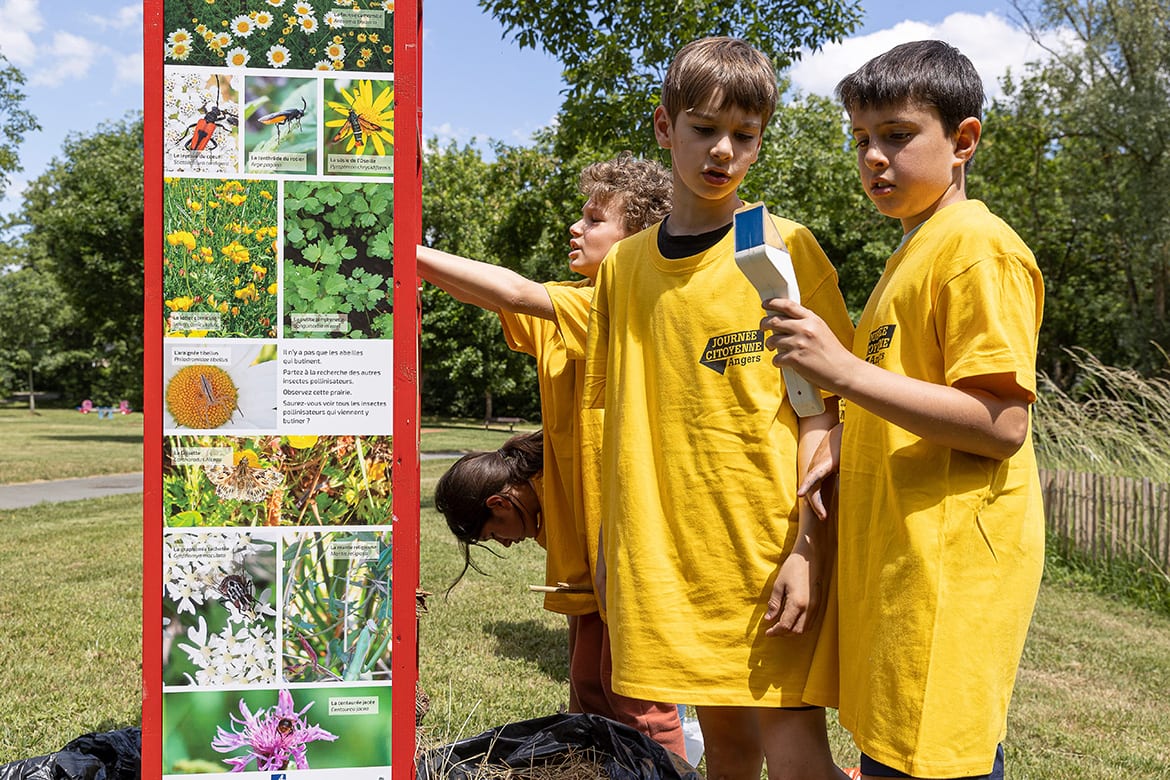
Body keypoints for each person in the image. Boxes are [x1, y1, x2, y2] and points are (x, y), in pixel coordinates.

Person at [760, 40, 1045, 779]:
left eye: (895, 135)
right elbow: (907, 394)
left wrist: (846, 374)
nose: (873, 158)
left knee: (933, 758)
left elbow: (1002, 424)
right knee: (893, 754)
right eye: (860, 140)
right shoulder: (910, 255)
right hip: (901, 567)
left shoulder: (979, 248)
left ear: (963, 141)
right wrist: (843, 443)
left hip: (948, 576)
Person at [582, 37, 856, 780]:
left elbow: (828, 412)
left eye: (746, 135)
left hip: (769, 556)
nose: (723, 152)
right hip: (672, 563)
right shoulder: (626, 269)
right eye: (704, 129)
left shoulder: (784, 247)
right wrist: (608, 548)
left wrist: (808, 550)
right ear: (665, 126)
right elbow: (604, 417)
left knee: (797, 759)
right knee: (726, 753)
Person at [418, 154, 685, 755]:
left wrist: (404, 251)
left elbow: (513, 287)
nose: (575, 227)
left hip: (627, 544)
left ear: (635, 240)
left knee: (640, 705)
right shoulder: (565, 309)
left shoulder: (622, 308)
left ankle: (666, 772)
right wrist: (411, 267)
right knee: (589, 692)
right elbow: (492, 296)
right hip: (583, 549)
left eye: (593, 219)